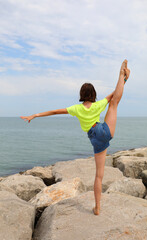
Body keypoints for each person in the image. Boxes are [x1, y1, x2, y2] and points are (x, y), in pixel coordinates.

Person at [20, 59, 130, 215]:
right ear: (94, 95)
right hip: (106, 131)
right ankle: (120, 75)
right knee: (114, 103)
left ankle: (97, 207)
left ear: (81, 95)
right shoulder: (98, 105)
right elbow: (114, 95)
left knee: (99, 176)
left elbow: (55, 112)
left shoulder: (76, 109)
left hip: (96, 139)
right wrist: (124, 79)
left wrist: (35, 115)